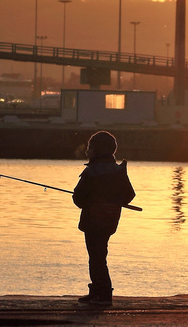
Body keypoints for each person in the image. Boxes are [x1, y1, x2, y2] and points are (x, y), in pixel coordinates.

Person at [71, 131, 136, 307]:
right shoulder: (118, 171)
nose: (87, 151)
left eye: (90, 147)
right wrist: (114, 200)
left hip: (93, 222)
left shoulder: (91, 171)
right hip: (110, 221)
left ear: (96, 150)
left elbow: (78, 199)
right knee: (100, 254)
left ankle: (103, 292)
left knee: (96, 256)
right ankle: (98, 290)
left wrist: (93, 200)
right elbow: (129, 195)